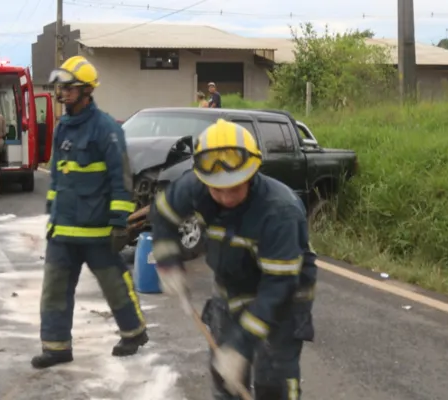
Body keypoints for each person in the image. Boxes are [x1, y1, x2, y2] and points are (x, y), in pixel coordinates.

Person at [148, 119, 317, 399]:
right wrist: (169, 263)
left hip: (283, 295)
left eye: (235, 187)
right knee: (225, 376)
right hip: (231, 286)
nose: (225, 196)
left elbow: (278, 287)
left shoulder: (280, 212)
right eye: (217, 188)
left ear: (251, 175)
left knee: (273, 381)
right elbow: (163, 215)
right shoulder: (196, 185)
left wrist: (241, 345)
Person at [32, 55, 148, 369]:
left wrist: (118, 223)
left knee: (114, 284)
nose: (63, 93)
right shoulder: (63, 127)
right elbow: (57, 175)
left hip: (98, 232)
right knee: (54, 289)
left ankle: (134, 332)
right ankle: (56, 348)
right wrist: (52, 214)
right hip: (64, 231)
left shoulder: (107, 129)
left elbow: (121, 180)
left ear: (86, 91)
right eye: (61, 88)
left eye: (69, 88)